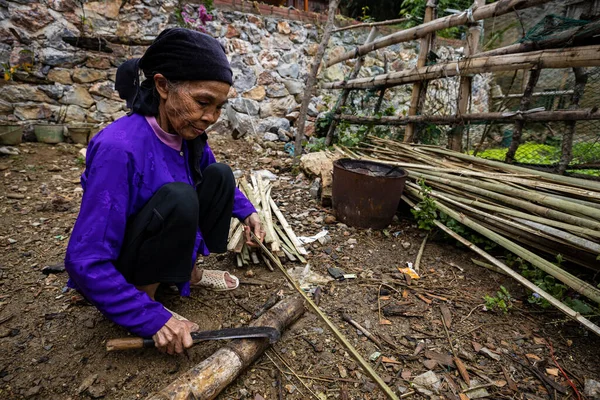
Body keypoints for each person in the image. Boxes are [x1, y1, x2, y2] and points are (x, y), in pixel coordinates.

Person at [64, 28, 265, 355]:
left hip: (157, 237)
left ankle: (189, 272)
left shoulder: (189, 136)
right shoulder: (120, 148)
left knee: (220, 175)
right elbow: (84, 258)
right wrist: (150, 320)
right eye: (203, 102)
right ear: (162, 86)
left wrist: (248, 211)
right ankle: (146, 298)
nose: (211, 118)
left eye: (218, 107)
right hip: (125, 260)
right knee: (180, 198)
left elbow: (212, 174)